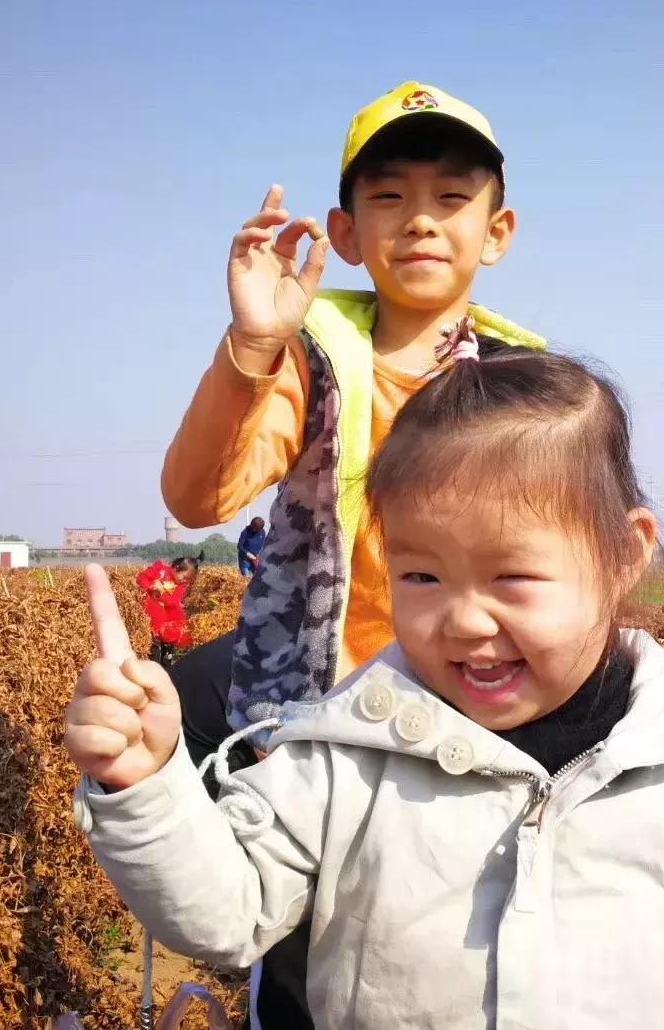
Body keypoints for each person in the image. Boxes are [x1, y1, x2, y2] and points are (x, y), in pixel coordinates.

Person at [68, 333, 664, 1029]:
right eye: (420, 575)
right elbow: (224, 914)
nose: (461, 621)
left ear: (625, 552)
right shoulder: (342, 756)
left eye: (511, 576)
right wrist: (146, 787)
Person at [160, 80, 542, 1025]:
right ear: (342, 231)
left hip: (474, 710)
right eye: (389, 197)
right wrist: (253, 344)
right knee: (306, 956)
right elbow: (196, 497)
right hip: (320, 716)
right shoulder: (308, 356)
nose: (420, 221)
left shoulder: (528, 384)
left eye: (452, 199)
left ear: (496, 231)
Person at [136, 553, 201, 670]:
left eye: (187, 580)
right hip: (153, 618)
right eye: (184, 577)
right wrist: (151, 585)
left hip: (170, 621)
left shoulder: (181, 585)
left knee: (168, 650)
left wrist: (161, 592)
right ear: (177, 568)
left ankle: (167, 671)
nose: (184, 581)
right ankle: (154, 671)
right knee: (154, 648)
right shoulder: (159, 570)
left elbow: (173, 602)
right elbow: (141, 579)